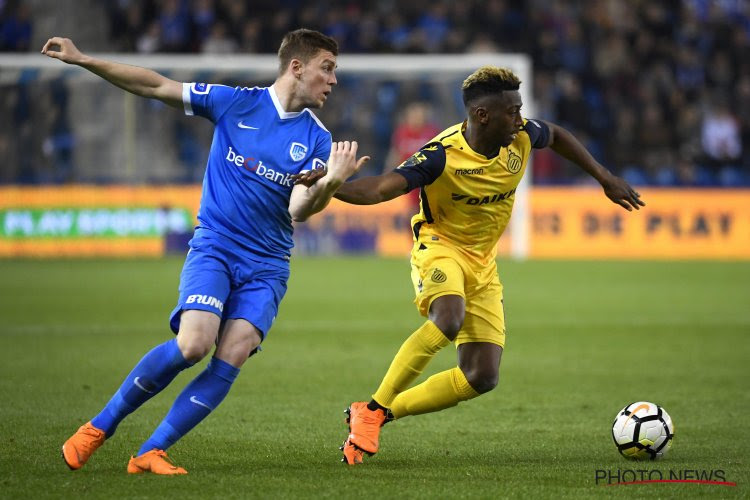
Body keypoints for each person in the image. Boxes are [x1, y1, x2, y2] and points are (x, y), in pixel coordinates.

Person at [42, 29, 367, 475]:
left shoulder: (316, 139)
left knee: (231, 354)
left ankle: (151, 451)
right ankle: (100, 427)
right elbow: (155, 85)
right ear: (297, 67)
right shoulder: (235, 103)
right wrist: (84, 59)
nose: (333, 80)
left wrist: (330, 182)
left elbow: (300, 210)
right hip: (217, 245)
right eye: (327, 68)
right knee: (194, 343)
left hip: (268, 265)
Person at [333, 66, 644, 465]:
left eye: (520, 111)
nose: (520, 120)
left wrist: (604, 177)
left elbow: (560, 136)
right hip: (439, 247)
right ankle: (374, 410)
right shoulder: (440, 155)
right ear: (483, 115)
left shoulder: (521, 137)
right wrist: (329, 185)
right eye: (512, 112)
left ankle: (377, 414)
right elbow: (379, 188)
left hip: (483, 263)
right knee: (448, 318)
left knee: (481, 376)